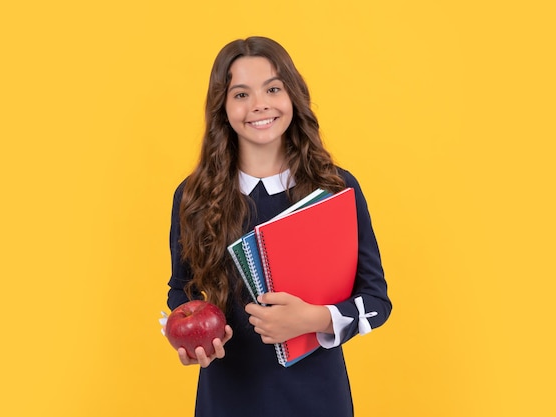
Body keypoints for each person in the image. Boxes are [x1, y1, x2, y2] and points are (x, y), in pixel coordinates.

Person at [166, 36, 391, 417]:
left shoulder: (336, 189)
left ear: (293, 97)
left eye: (273, 88)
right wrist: (191, 342)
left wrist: (313, 319)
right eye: (240, 94)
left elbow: (377, 301)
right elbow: (181, 290)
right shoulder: (193, 195)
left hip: (318, 400)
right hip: (226, 398)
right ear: (222, 107)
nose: (259, 105)